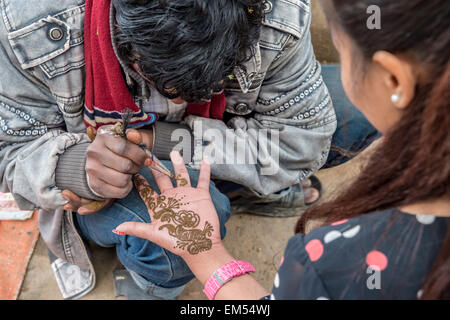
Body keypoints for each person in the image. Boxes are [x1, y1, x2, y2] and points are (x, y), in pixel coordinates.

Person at [0, 0, 378, 299]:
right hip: (115, 178)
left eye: (215, 79)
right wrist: (72, 169)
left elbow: (303, 140)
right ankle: (151, 286)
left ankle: (236, 190)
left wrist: (160, 139)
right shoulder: (30, 20)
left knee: (369, 102)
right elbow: (9, 151)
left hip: (203, 145)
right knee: (180, 241)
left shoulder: (277, 11)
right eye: (155, 75)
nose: (178, 98)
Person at [114, 0, 450, 299]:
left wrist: (206, 253)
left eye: (339, 46)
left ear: (393, 78)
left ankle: (240, 190)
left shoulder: (331, 268)